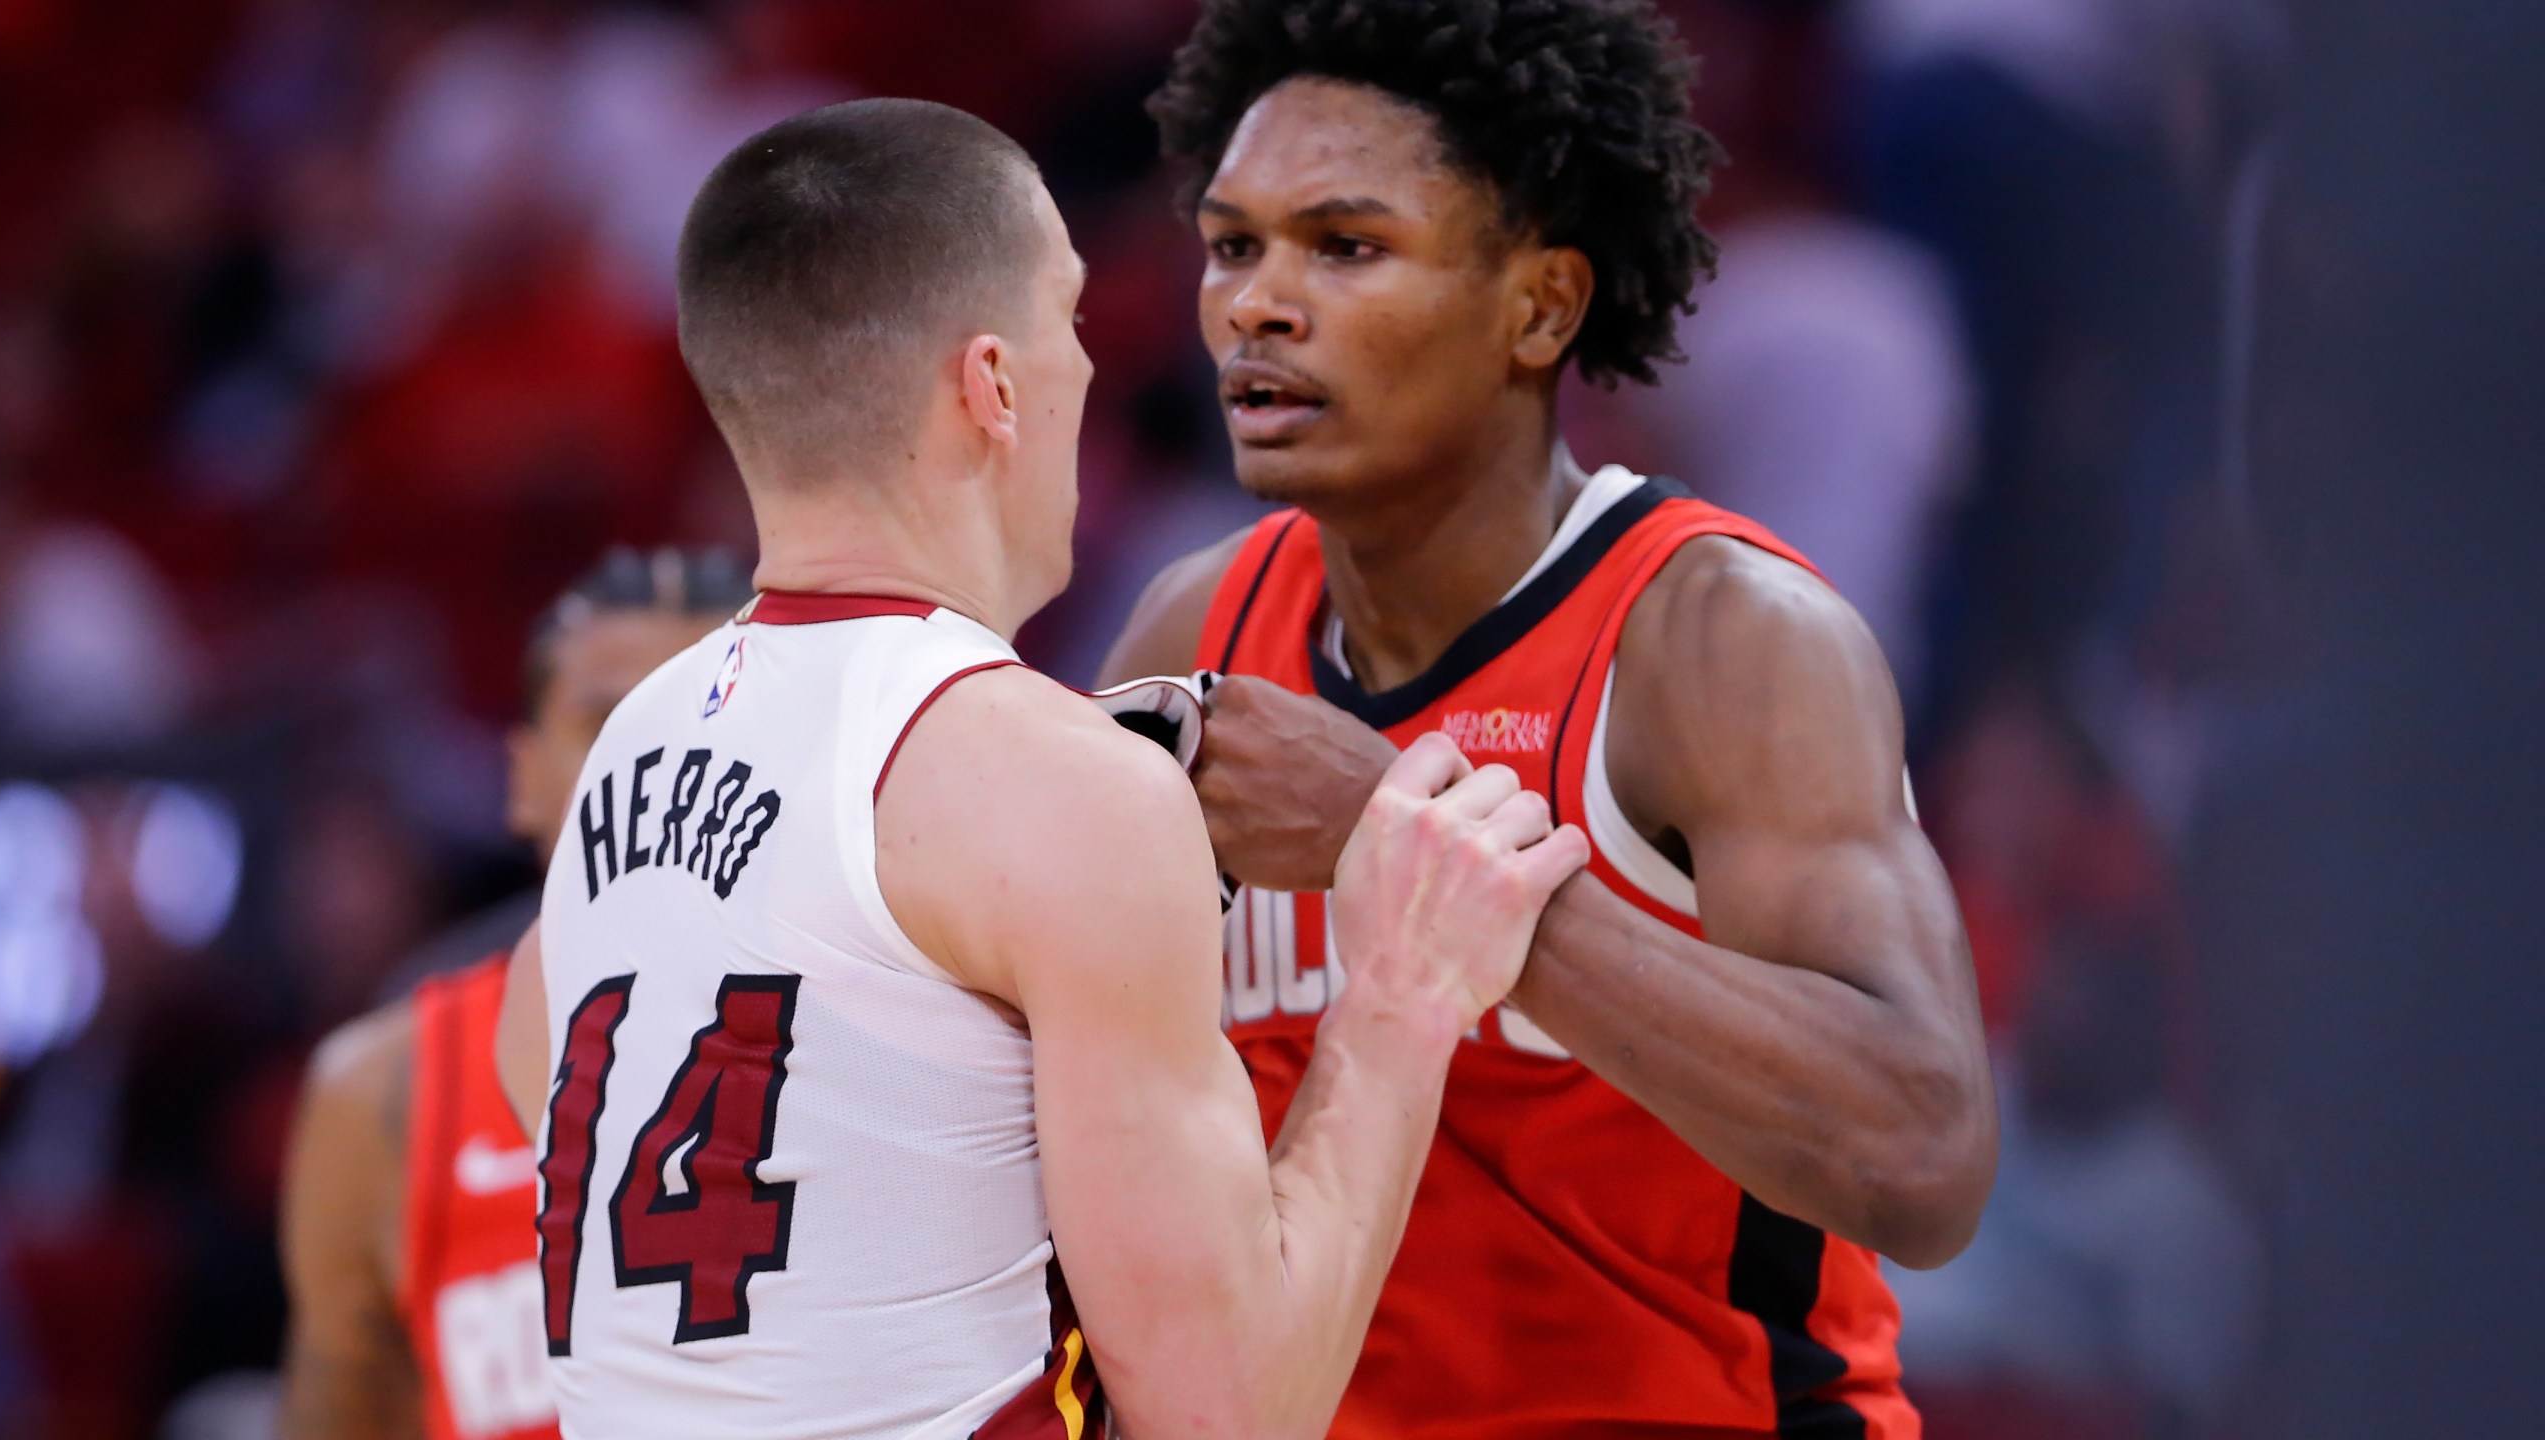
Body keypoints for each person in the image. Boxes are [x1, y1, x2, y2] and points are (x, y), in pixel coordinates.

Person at [496, 99, 1587, 1440]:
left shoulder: (624, 753)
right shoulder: (1053, 785)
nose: (1089, 368)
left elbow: (572, 1087)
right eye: (1068, 322)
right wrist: (1405, 997)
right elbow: (1229, 1414)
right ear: (995, 385)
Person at [1098, 2, 2000, 1435]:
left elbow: (1922, 1150)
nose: (1261, 303)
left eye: (1345, 247)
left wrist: (1410, 850)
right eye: (1233, 245)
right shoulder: (1188, 632)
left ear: (1541, 306)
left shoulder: (1720, 638)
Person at [279, 548, 750, 1440]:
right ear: (522, 777)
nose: (660, 760)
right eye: (607, 720)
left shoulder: (907, 1032)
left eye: (714, 712)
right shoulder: (383, 1095)